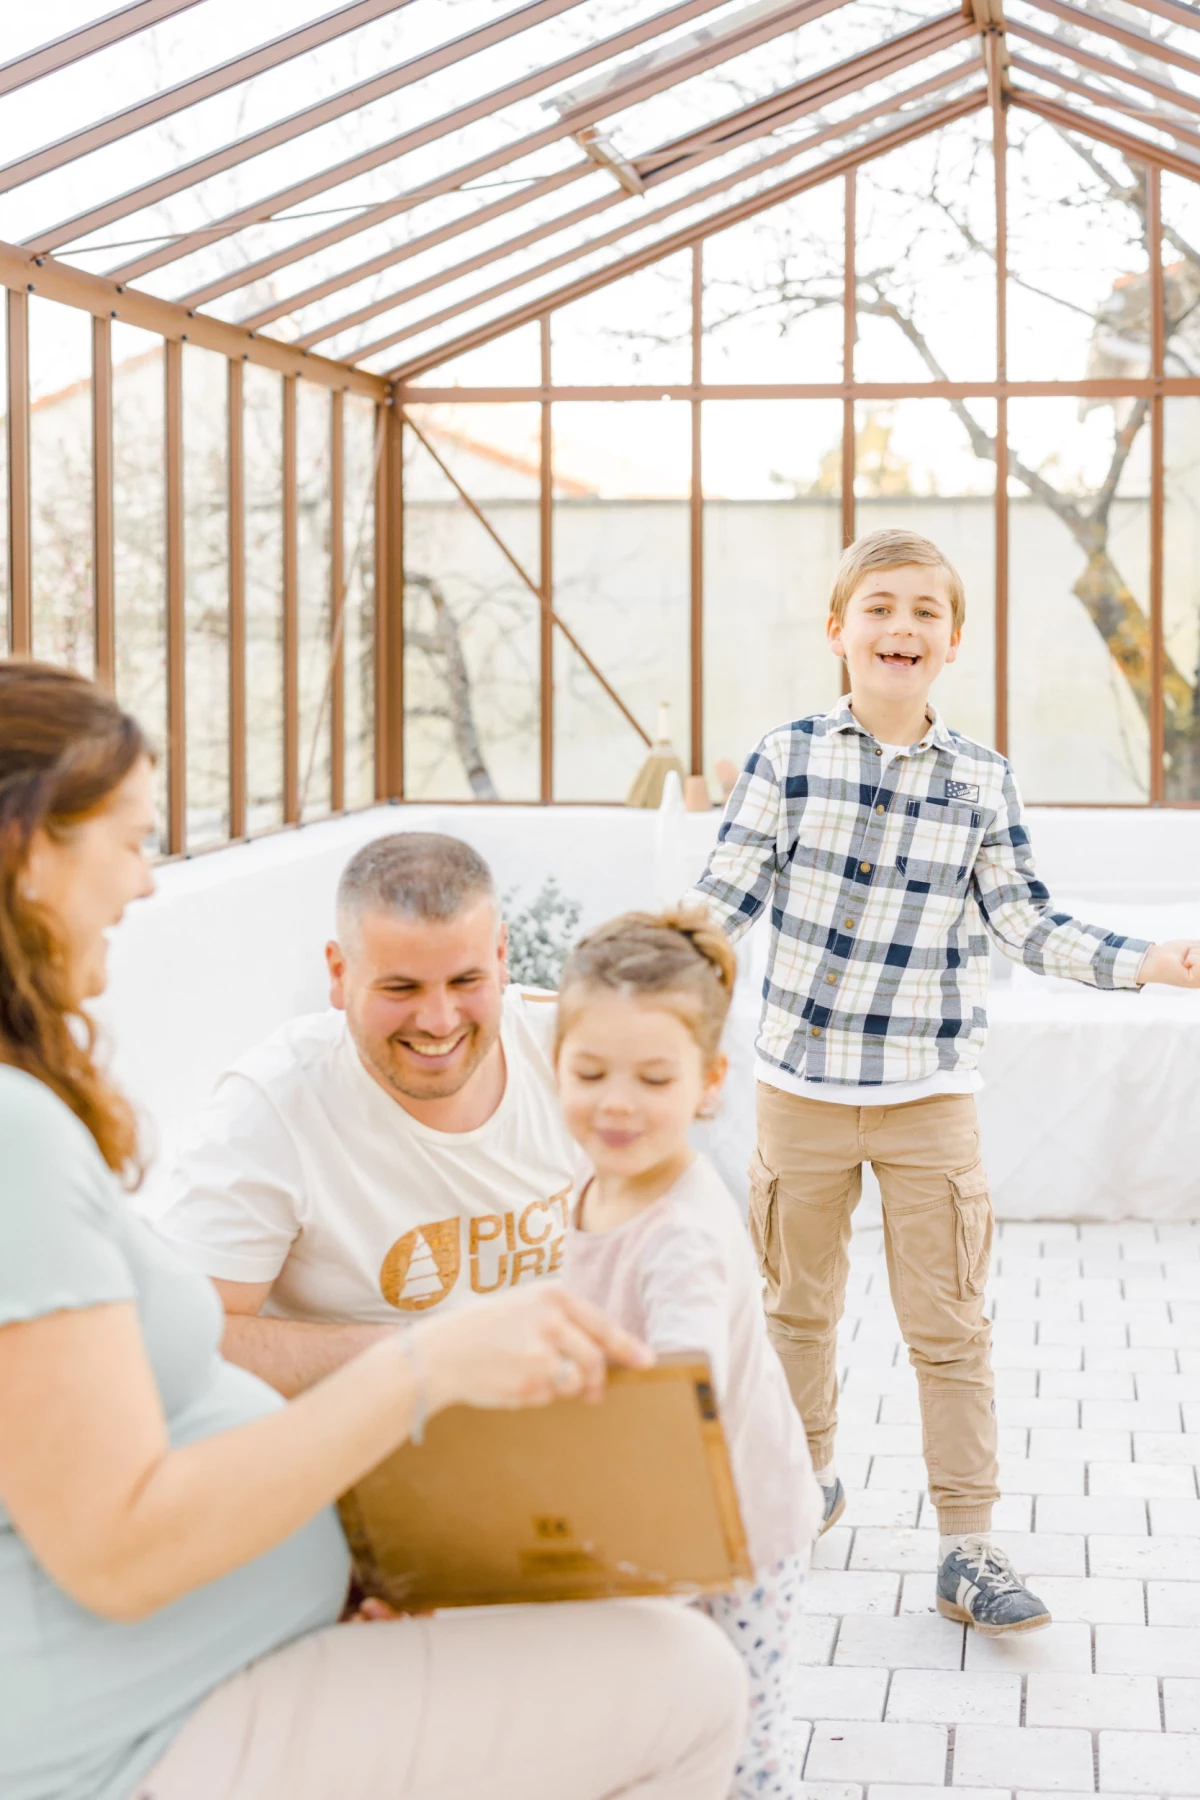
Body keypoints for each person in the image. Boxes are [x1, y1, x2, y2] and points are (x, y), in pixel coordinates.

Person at [0, 661, 749, 1800]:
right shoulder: (23, 1133)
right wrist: (425, 1362)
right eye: (132, 839)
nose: (148, 885)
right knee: (689, 1686)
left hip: (221, 1646)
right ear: (29, 849)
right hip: (122, 1735)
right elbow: (114, 1546)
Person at [686, 526, 1200, 1635]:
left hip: (931, 1097)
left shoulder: (981, 779)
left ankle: (968, 1545)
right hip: (801, 1094)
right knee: (793, 1310)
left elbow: (1023, 921)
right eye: (878, 607)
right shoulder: (787, 758)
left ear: (953, 640)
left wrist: (1150, 963)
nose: (900, 626)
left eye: (924, 611)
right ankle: (799, 1487)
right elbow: (714, 909)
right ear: (838, 632)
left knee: (951, 1327)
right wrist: (615, 984)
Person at [155, 832, 580, 1395]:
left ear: (502, 957)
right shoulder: (269, 1108)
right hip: (362, 1460)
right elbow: (184, 1343)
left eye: (465, 980)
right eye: (401, 988)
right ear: (338, 972)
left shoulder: (576, 1054)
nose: (438, 1020)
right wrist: (427, 1355)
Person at [557, 910, 823, 1798]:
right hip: (661, 1514)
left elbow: (681, 1398)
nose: (617, 1102)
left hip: (738, 1530)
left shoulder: (681, 1237)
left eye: (653, 1078)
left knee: (735, 1754)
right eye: (589, 1072)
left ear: (710, 1082)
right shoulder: (598, 1187)